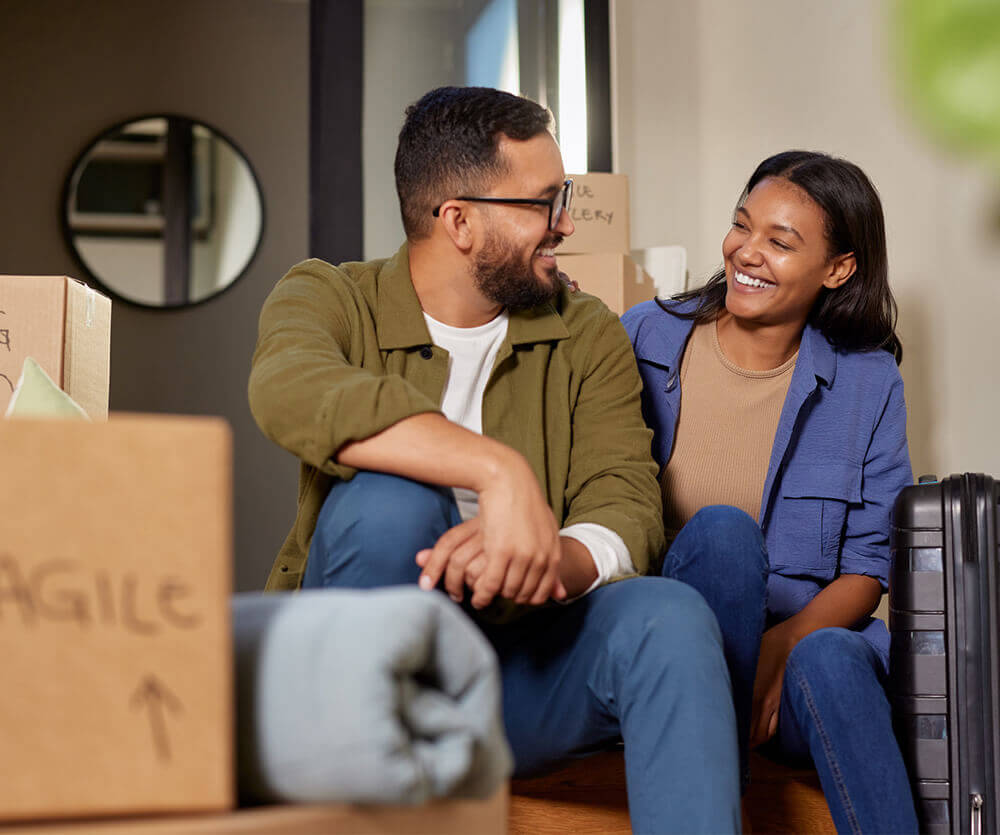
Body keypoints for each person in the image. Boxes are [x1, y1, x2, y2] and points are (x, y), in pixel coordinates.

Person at [248, 86, 740, 833]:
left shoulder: (586, 333)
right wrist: (495, 472)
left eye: (563, 197)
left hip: (514, 673)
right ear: (460, 220)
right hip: (346, 679)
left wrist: (549, 555)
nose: (566, 223)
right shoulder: (329, 296)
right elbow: (290, 389)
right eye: (544, 202)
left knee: (669, 614)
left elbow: (626, 498)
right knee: (390, 501)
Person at [624, 150, 919, 833]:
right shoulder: (645, 334)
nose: (746, 252)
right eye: (741, 225)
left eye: (780, 242)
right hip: (673, 645)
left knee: (836, 654)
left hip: (793, 664)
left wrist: (783, 647)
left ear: (838, 268)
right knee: (724, 534)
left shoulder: (868, 382)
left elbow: (868, 568)